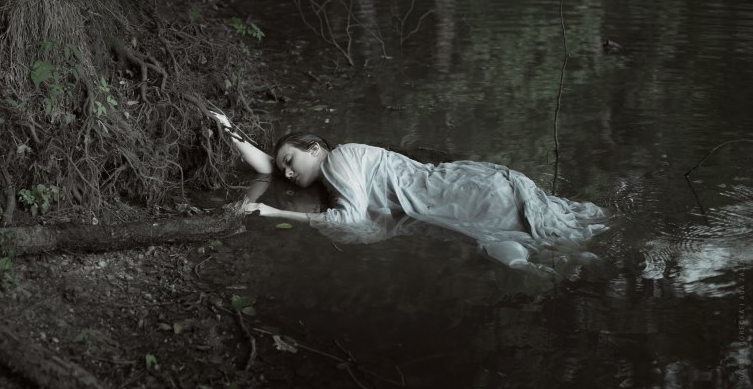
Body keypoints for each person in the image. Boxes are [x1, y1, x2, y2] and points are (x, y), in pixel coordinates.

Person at [208, 110, 610, 271]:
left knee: (530, 244)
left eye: (291, 161)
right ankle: (592, 261)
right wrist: (227, 127)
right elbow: (269, 166)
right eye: (284, 168)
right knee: (550, 238)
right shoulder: (341, 165)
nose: (287, 173)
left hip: (465, 196)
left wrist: (276, 213)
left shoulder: (339, 160)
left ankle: (580, 263)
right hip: (469, 187)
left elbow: (350, 219)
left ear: (315, 148)